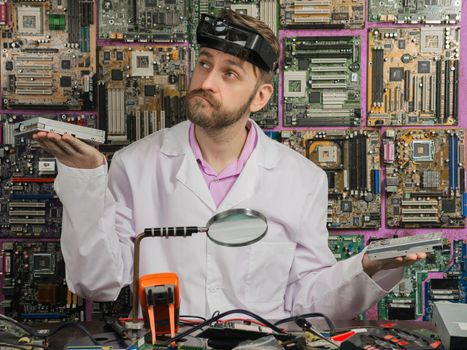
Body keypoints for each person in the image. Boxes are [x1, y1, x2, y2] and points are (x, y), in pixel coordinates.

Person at [33, 10, 426, 321]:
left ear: (260, 97)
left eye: (230, 73)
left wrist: (368, 267)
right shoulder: (136, 164)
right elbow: (96, 282)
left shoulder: (302, 180)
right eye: (204, 64)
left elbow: (307, 297)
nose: (206, 81)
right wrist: (85, 182)